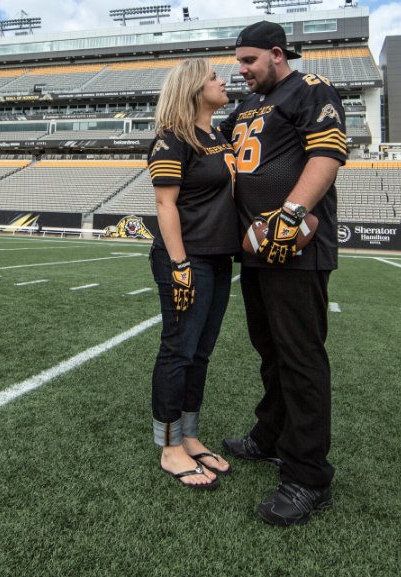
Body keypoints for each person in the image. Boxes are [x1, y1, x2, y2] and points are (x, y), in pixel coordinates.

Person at [220, 20, 347, 525]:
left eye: (249, 61)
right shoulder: (245, 106)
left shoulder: (309, 89)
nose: (242, 71)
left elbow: (327, 153)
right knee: (268, 351)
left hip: (295, 248)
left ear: (277, 54)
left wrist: (290, 214)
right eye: (238, 63)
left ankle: (308, 476)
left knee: (299, 357)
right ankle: (271, 435)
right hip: (254, 249)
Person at [147, 57, 241, 490]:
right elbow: (166, 205)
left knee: (200, 353)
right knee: (178, 351)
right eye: (214, 77)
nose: (223, 82)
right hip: (187, 259)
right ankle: (169, 446)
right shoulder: (172, 138)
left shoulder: (217, 135)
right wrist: (180, 264)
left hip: (219, 258)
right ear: (193, 88)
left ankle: (189, 434)